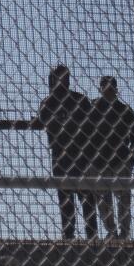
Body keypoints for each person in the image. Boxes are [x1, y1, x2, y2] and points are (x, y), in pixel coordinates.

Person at [35, 64, 100, 239]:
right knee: (66, 199)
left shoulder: (78, 99)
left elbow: (89, 126)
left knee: (86, 199)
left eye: (65, 77)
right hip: (62, 156)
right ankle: (69, 235)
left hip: (80, 155)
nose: (64, 81)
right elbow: (48, 122)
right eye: (60, 77)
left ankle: (91, 237)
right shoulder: (49, 102)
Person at [90, 76, 134, 240]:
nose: (109, 91)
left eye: (111, 88)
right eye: (106, 88)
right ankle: (112, 230)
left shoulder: (124, 110)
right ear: (101, 89)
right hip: (100, 159)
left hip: (120, 158)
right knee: (104, 199)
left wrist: (131, 159)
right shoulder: (93, 108)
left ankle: (123, 232)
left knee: (123, 197)